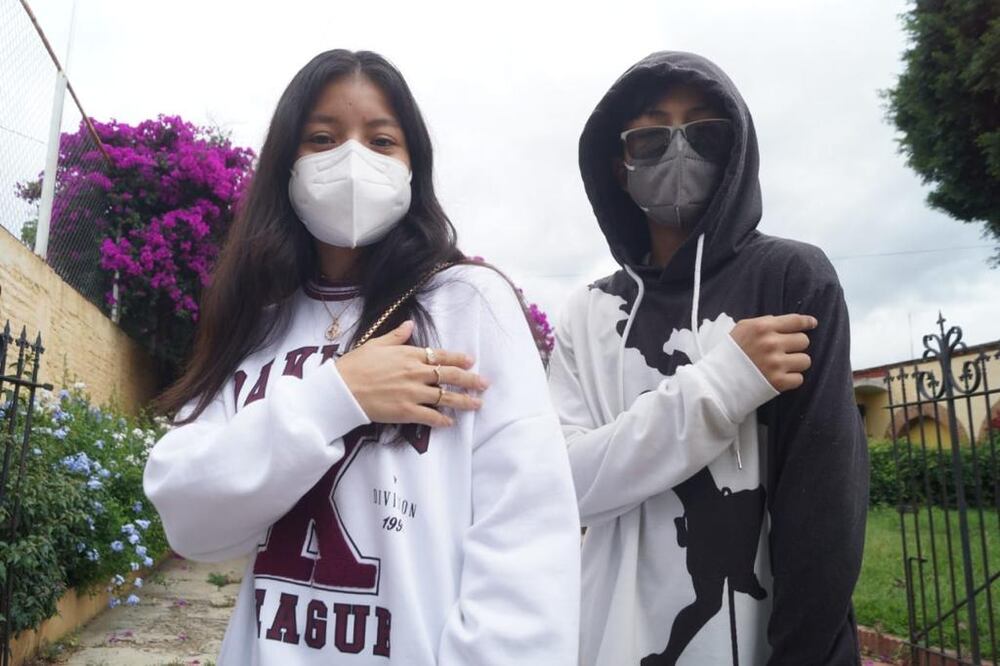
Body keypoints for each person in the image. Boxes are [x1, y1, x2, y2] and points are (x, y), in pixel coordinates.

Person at [144, 49, 580, 665]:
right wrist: (336, 394)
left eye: (381, 140)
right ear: (286, 165)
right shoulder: (258, 321)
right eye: (322, 138)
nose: (352, 159)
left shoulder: (467, 304)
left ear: (413, 166)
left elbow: (528, 542)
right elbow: (189, 518)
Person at [548, 51, 868, 665]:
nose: (677, 153)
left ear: (735, 151)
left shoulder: (790, 279)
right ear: (619, 164)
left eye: (704, 132)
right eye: (649, 137)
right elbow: (559, 485)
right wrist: (722, 385)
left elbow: (826, 505)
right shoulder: (587, 315)